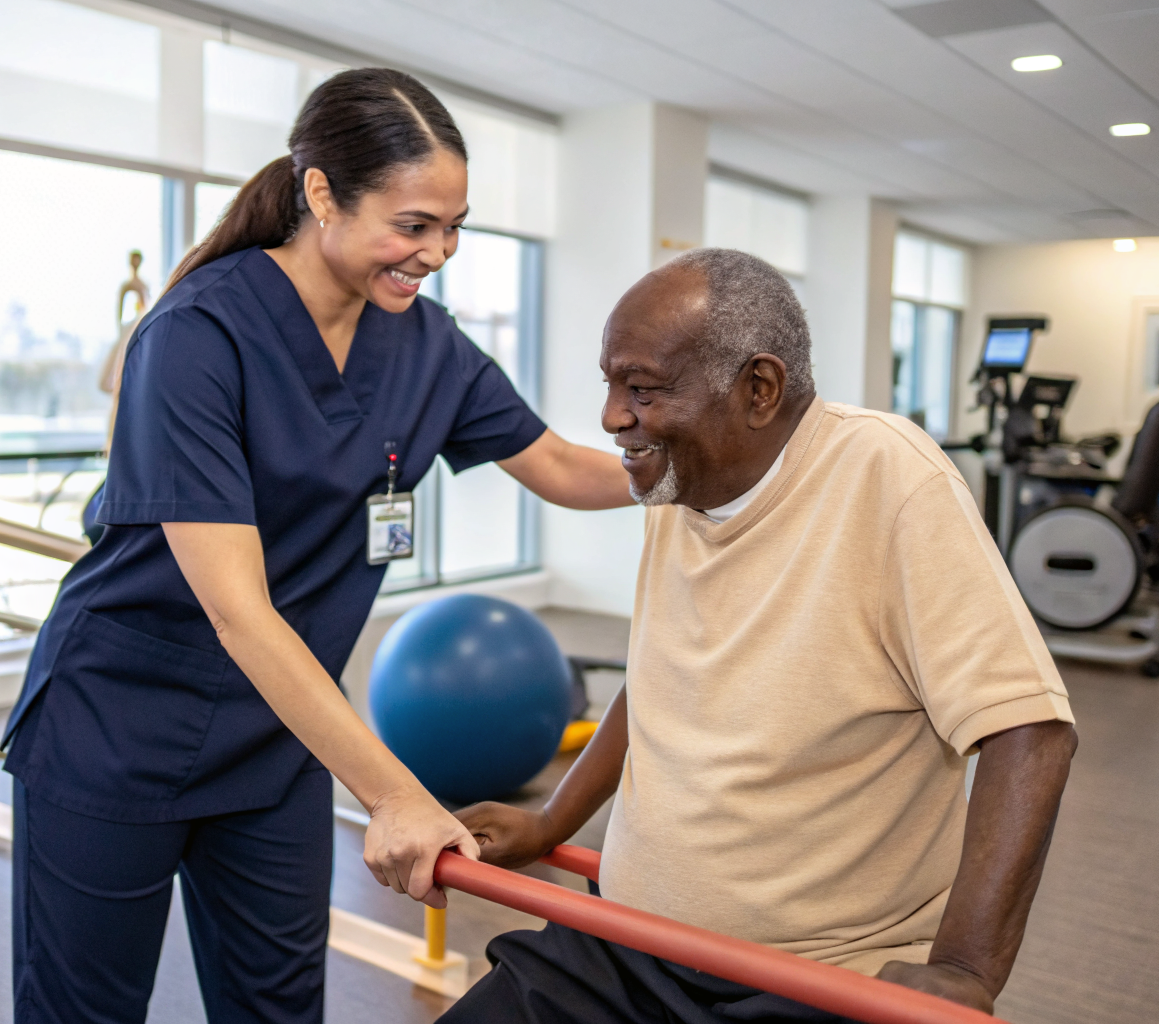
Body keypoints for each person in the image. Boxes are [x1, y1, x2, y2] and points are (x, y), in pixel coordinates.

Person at [0, 68, 633, 1024]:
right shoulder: (197, 334)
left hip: (274, 739)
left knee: (279, 1008)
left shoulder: (428, 348)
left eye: (453, 227)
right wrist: (396, 793)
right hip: (114, 729)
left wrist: (713, 466)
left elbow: (559, 465)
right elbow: (237, 610)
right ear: (322, 193)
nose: (438, 252)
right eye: (413, 224)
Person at [445, 249, 1078, 1023]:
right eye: (610, 385)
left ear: (758, 388)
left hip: (807, 977)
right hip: (624, 944)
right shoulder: (678, 485)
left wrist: (962, 968)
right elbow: (656, 683)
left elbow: (1029, 731)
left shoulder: (888, 477)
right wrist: (552, 821)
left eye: (640, 388)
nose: (612, 415)